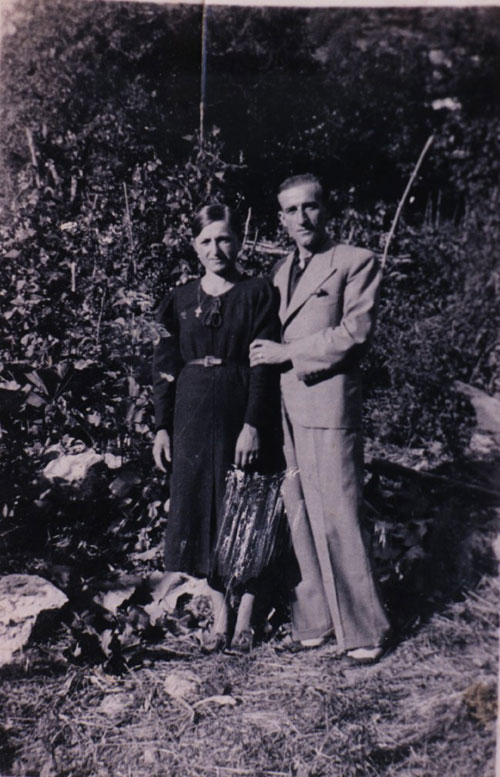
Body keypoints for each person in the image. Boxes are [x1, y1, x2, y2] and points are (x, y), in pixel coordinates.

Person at [249, 174, 390, 663]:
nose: (301, 218)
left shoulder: (355, 261)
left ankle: (364, 630)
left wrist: (288, 353)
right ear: (282, 219)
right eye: (291, 210)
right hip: (284, 410)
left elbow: (355, 333)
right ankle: (317, 619)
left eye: (309, 207)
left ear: (325, 209)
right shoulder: (278, 272)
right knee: (298, 513)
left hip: (328, 406)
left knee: (340, 514)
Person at [152, 203, 280, 654]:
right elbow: (164, 366)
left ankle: (246, 618)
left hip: (239, 407)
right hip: (191, 413)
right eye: (206, 240)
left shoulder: (257, 292)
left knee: (245, 505)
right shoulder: (180, 299)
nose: (215, 249)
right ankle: (220, 616)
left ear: (238, 241)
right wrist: (162, 427)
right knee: (201, 509)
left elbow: (264, 365)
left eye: (224, 238)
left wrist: (253, 424)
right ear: (194, 246)